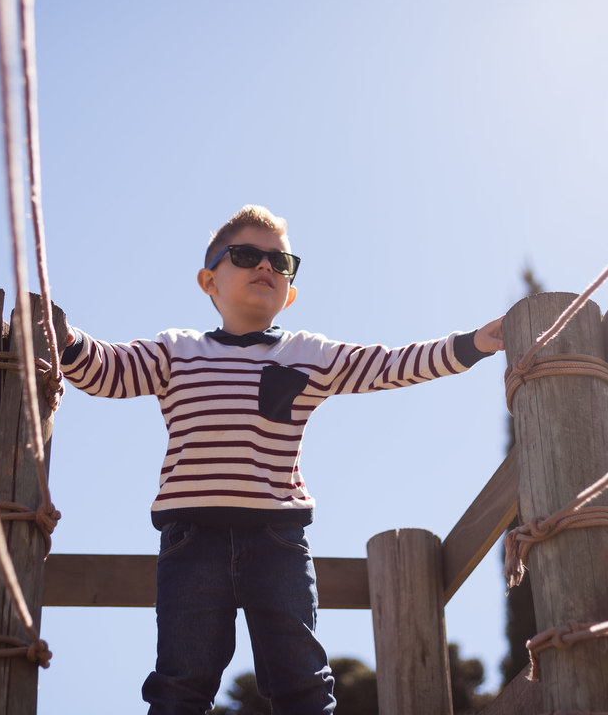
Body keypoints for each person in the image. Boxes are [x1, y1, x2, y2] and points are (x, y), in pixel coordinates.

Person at [59, 204, 504, 715]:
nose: (266, 267)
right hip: (191, 539)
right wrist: (67, 340)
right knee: (181, 681)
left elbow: (390, 364)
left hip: (278, 539)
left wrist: (473, 344)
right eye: (247, 255)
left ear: (289, 292)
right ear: (209, 281)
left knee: (303, 683)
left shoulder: (307, 353)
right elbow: (110, 372)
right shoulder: (175, 350)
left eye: (281, 262)